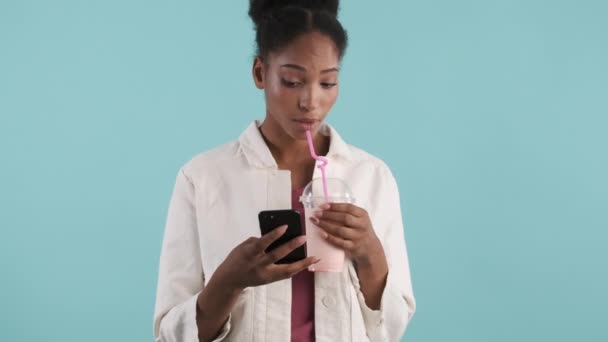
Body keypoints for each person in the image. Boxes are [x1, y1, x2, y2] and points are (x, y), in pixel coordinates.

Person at [153, 1, 416, 341]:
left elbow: (392, 328)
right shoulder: (202, 179)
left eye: (328, 83)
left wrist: (370, 253)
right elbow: (170, 335)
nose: (310, 101)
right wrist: (228, 281)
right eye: (292, 81)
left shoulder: (371, 176)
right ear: (260, 73)